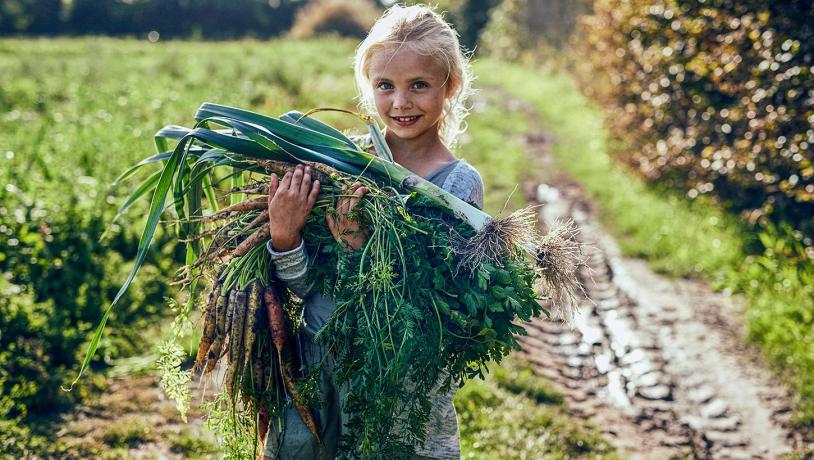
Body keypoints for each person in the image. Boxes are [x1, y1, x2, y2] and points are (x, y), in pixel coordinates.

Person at [262, 4, 483, 459]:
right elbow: (310, 289)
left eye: (418, 85)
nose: (400, 103)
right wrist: (286, 238)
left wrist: (359, 252)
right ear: (368, 89)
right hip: (320, 366)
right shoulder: (343, 163)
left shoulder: (458, 185)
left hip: (399, 382)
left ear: (451, 85)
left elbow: (437, 308)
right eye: (385, 86)